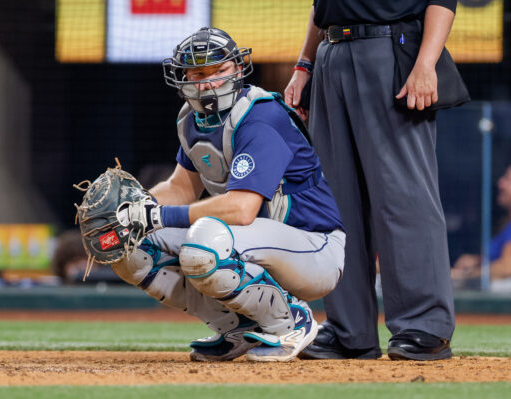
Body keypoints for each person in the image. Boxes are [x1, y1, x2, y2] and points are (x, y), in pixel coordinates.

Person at [111, 27, 345, 362]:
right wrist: (134, 210)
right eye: (199, 73)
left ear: (237, 68)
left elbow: (242, 209)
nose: (209, 82)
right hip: (252, 241)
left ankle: (290, 320)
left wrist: (157, 216)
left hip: (313, 246)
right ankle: (236, 326)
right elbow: (180, 187)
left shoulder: (259, 115)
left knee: (205, 242)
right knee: (130, 245)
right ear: (184, 78)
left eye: (219, 70)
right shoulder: (193, 120)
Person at [284, 1, 458, 361]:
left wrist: (426, 62)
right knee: (337, 203)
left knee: (404, 198)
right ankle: (350, 330)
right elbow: (322, 5)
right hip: (330, 54)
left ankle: (424, 325)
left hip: (390, 50)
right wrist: (305, 63)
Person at [452, 166, 511, 287]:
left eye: (508, 179)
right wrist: (476, 261)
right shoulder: (506, 224)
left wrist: (464, 276)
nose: (501, 182)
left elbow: (507, 267)